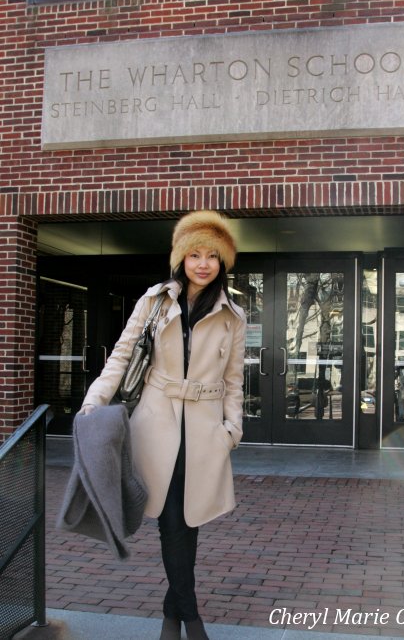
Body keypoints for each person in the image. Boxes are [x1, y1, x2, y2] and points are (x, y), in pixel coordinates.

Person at [78, 210, 247, 640]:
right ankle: (190, 618)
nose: (203, 263)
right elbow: (120, 355)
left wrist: (233, 429)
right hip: (156, 424)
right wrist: (94, 400)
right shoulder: (154, 302)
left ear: (223, 261)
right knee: (171, 519)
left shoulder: (234, 315)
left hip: (206, 431)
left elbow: (233, 381)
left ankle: (171, 612)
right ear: (181, 258)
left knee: (187, 521)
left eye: (212, 255)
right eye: (195, 254)